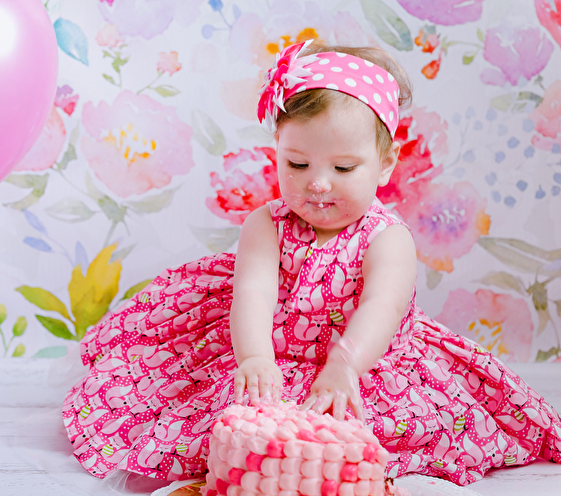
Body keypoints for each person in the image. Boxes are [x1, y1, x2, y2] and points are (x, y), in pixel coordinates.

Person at [62, 40, 561, 486]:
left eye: (343, 167)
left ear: (385, 163)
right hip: (268, 349)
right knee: (226, 422)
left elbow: (382, 308)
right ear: (277, 152)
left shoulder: (386, 238)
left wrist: (344, 365)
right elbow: (253, 293)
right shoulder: (268, 224)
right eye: (297, 164)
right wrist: (254, 359)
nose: (317, 183)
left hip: (361, 360)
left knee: (375, 433)